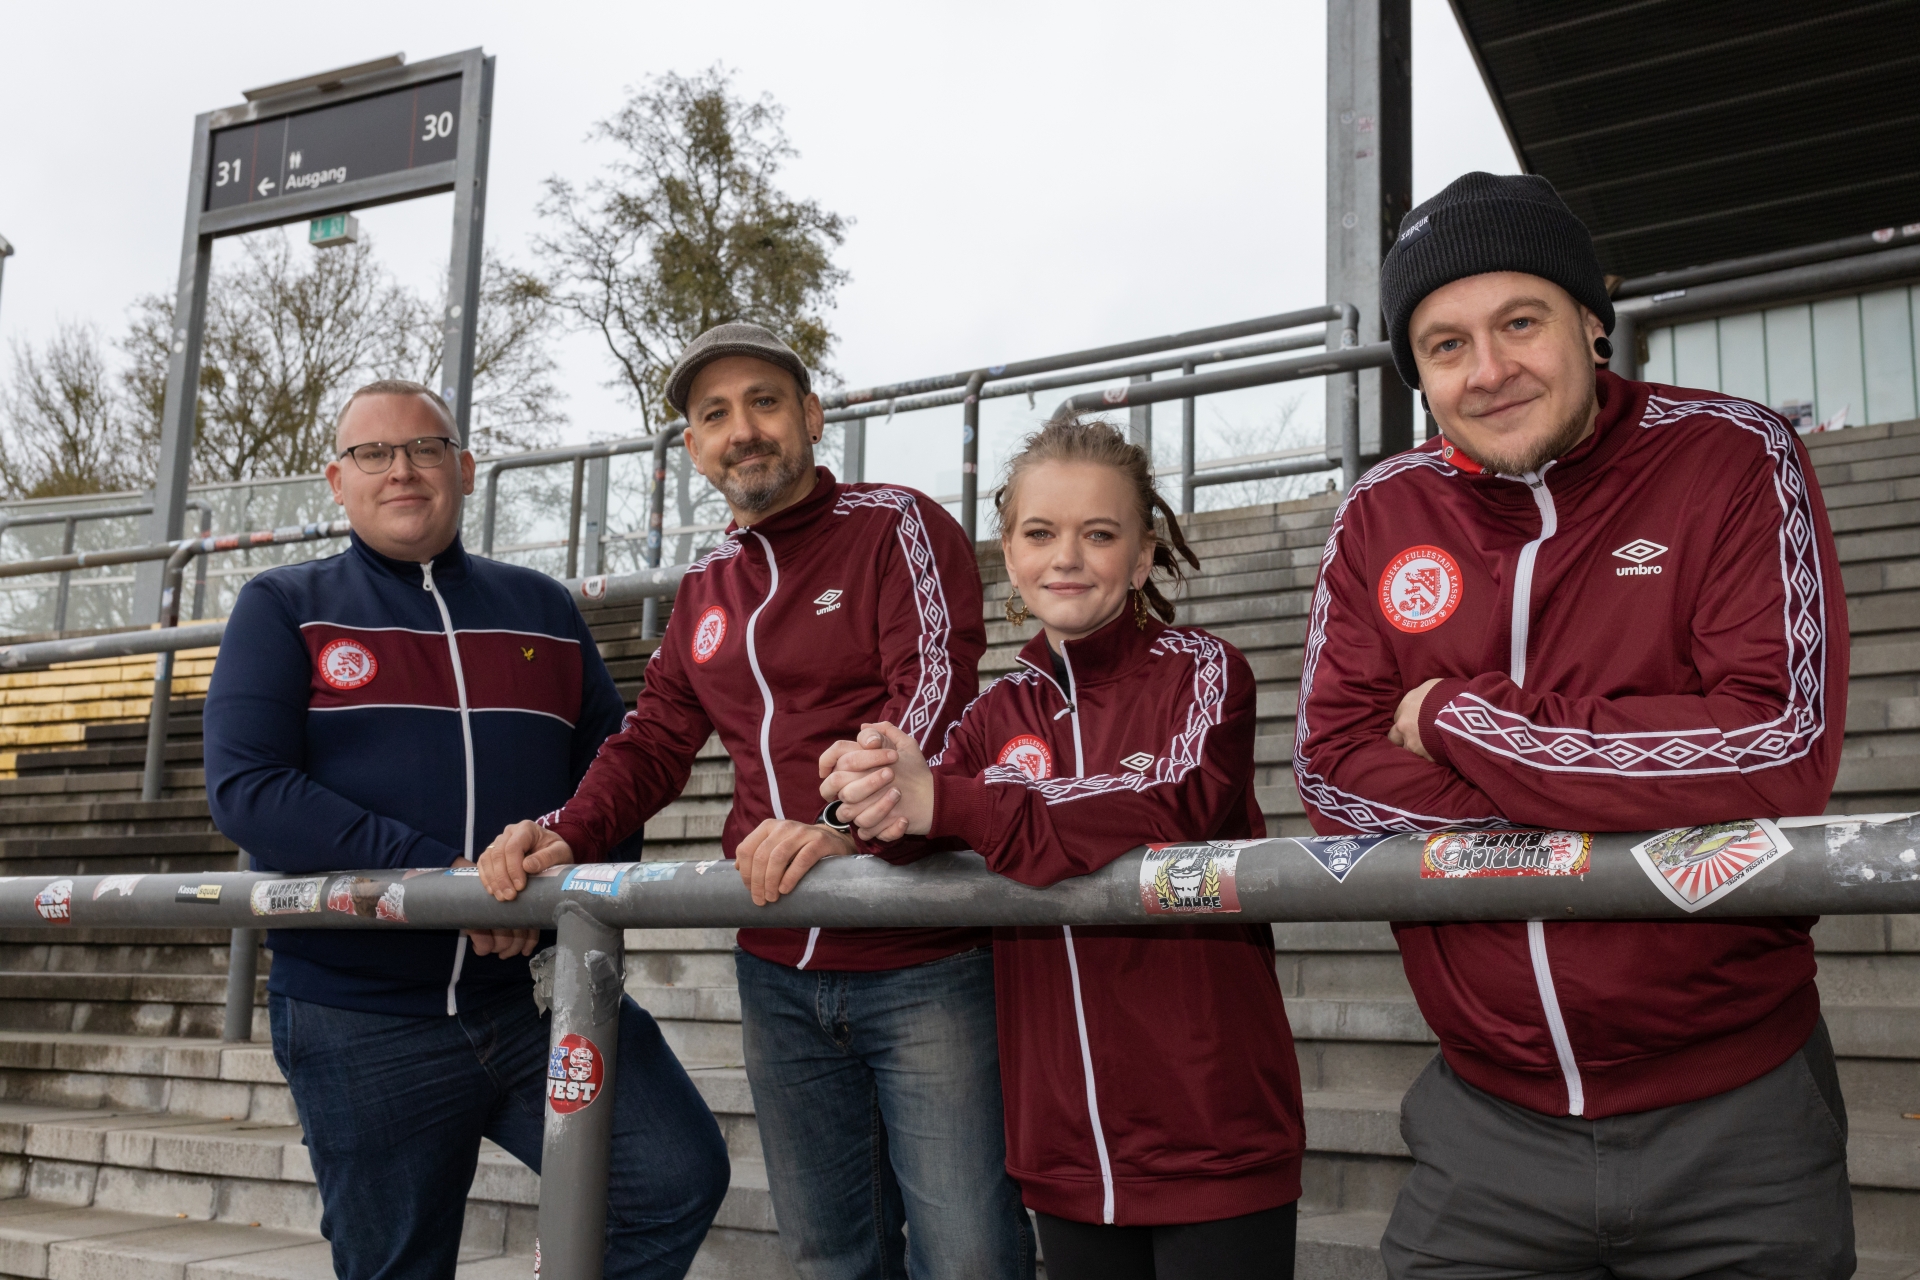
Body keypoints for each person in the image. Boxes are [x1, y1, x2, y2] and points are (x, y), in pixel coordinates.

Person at [1293, 173, 1854, 1278]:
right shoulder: (1380, 513)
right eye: (1445, 344)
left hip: (1738, 1116)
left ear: (1590, 316)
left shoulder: (1734, 454)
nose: (1489, 369)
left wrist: (1457, 717)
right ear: (1419, 373)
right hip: (1483, 1121)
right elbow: (1335, 774)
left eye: (1519, 322)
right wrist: (1616, 775)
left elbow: (1774, 746)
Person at [477, 324, 1033, 1280]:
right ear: (692, 448)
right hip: (777, 964)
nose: (744, 430)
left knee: (970, 1257)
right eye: (715, 416)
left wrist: (839, 827)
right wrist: (566, 833)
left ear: (812, 417)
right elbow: (652, 741)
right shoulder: (704, 589)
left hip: (923, 949)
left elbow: (933, 694)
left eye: (765, 403)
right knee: (830, 1256)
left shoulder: (895, 524)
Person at [203, 379, 729, 1280]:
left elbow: (615, 782)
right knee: (396, 1266)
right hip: (359, 1014)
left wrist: (552, 889)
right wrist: (445, 884)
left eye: (426, 448)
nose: (402, 469)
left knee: (672, 1177)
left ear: (467, 469)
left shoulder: (544, 610)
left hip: (534, 996)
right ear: (337, 480)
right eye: (374, 453)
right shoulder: (283, 603)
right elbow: (248, 790)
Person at [817, 416, 1306, 1280]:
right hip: (1064, 1148)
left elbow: (1171, 801)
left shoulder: (1207, 670)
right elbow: (921, 827)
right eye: (1040, 533)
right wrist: (867, 796)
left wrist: (954, 802)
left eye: (1100, 533)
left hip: (1213, 1131)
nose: (1066, 556)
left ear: (1144, 556)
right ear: (1009, 554)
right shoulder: (994, 713)